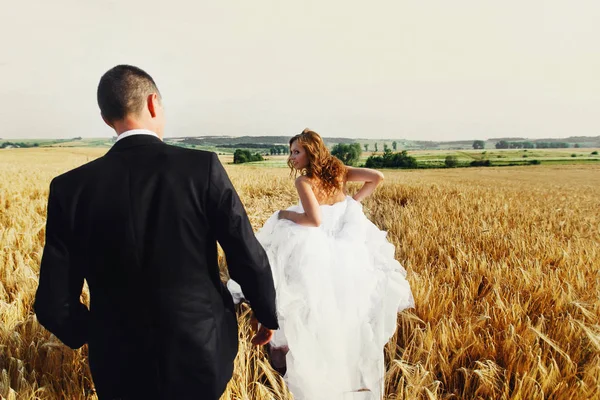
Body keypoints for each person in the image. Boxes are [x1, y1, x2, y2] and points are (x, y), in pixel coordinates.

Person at [33, 64, 278, 400]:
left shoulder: (69, 189)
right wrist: (265, 313)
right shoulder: (201, 169)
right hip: (201, 354)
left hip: (117, 366)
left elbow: (52, 303)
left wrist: (101, 333)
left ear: (107, 119)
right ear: (152, 104)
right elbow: (246, 254)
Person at [229, 128, 415, 399]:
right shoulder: (338, 170)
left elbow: (313, 220)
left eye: (296, 151)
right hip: (345, 245)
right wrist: (353, 204)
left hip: (314, 247)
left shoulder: (305, 182)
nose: (291, 157)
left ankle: (288, 368)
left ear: (310, 152)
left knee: (297, 301)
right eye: (290, 151)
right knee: (342, 310)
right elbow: (377, 178)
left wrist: (284, 214)